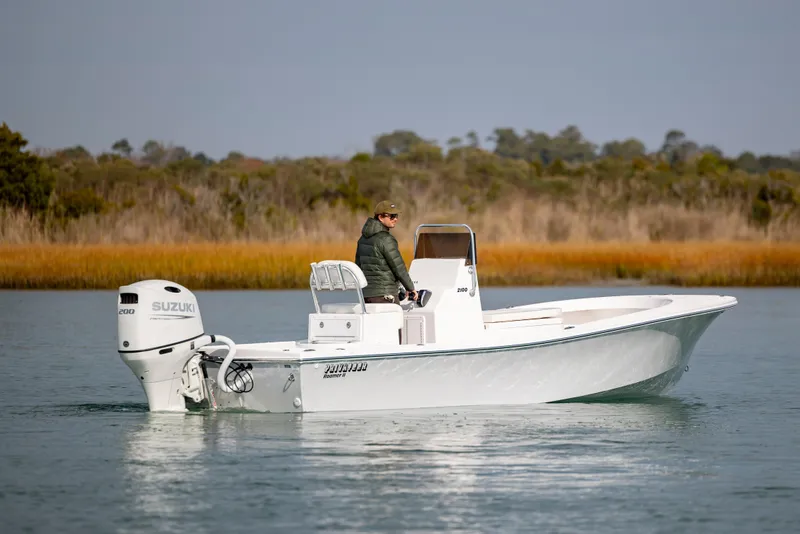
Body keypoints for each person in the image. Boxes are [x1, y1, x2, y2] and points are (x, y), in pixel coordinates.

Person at [355, 200, 417, 305]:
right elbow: (399, 267)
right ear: (380, 217)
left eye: (396, 215)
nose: (396, 219)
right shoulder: (386, 239)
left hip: (365, 297)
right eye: (392, 216)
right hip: (385, 296)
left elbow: (358, 266)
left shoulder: (362, 239)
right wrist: (410, 288)